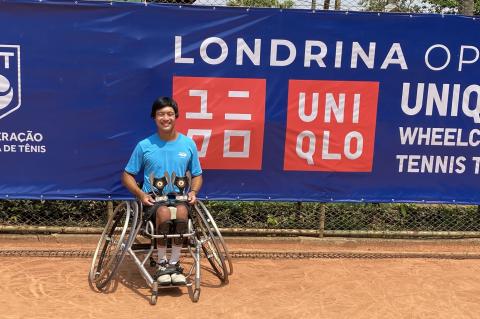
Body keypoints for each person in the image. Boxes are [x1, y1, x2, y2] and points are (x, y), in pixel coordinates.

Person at [121, 96, 203, 286]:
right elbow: (127, 175)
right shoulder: (144, 145)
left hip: (180, 198)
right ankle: (161, 264)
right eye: (161, 114)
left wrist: (194, 191)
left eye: (169, 114)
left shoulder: (188, 144)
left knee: (181, 212)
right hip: (154, 202)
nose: (165, 118)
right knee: (165, 212)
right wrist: (141, 194)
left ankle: (174, 264)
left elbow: (197, 174)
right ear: (154, 117)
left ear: (176, 116)